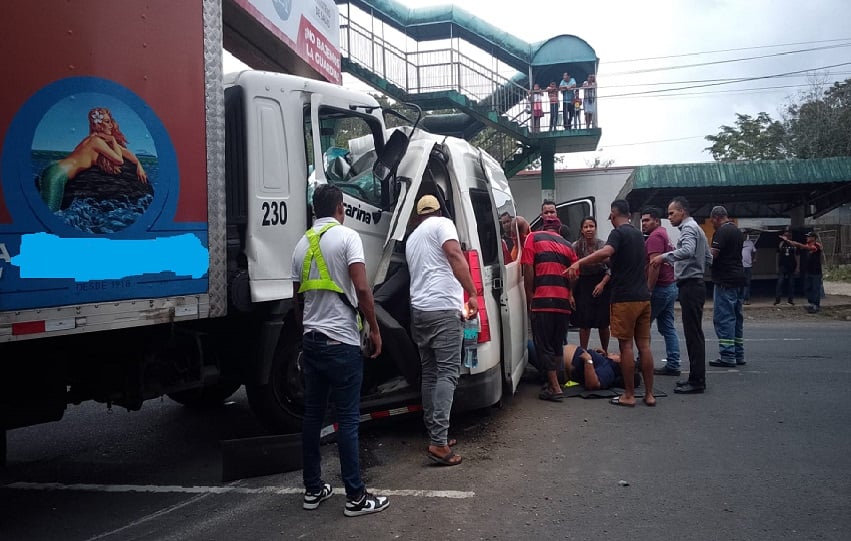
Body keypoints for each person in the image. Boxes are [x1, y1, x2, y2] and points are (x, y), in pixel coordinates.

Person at [292, 184, 389, 516]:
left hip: (312, 341)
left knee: (312, 417)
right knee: (347, 420)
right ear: (341, 208)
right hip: (341, 343)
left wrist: (306, 331)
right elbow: (362, 287)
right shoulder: (348, 238)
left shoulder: (300, 245)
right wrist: (375, 329)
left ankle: (313, 489)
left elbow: (298, 300)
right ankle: (356, 498)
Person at [406, 195, 478, 466]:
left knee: (431, 372)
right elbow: (453, 254)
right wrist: (471, 292)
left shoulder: (413, 237)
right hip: (443, 311)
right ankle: (438, 443)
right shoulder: (443, 224)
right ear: (437, 210)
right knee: (448, 372)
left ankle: (435, 433)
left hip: (420, 312)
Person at [567, 200, 655, 408]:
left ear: (613, 216)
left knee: (625, 346)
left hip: (625, 298)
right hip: (643, 297)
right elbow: (625, 261)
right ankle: (649, 395)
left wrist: (579, 262)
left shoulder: (618, 233)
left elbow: (606, 252)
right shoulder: (637, 235)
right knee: (644, 345)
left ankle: (629, 395)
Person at [650, 196, 713, 394]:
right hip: (694, 283)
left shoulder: (688, 228)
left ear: (682, 212)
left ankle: (697, 381)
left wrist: (664, 257)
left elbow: (687, 250)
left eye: (671, 213)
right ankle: (695, 378)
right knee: (694, 333)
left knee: (693, 334)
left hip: (691, 285)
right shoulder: (696, 228)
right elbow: (708, 256)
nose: (669, 217)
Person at [38, 107, 148, 212]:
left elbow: (126, 153)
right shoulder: (96, 141)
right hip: (57, 175)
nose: (111, 126)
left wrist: (139, 165)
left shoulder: (96, 140)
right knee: (50, 214)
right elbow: (120, 160)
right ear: (99, 124)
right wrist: (113, 140)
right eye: (107, 122)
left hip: (55, 168)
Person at [522, 216, 577, 402]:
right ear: (559, 229)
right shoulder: (568, 245)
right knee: (556, 344)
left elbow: (528, 268)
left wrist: (529, 295)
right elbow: (575, 274)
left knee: (543, 345)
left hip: (543, 300)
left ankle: (554, 388)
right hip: (562, 303)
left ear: (543, 227)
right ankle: (557, 381)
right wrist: (569, 293)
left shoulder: (533, 238)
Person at [641, 207, 681, 377]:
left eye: (647, 220)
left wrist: (649, 290)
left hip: (660, 288)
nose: (643, 224)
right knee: (667, 327)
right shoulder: (663, 233)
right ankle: (673, 363)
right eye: (642, 220)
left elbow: (654, 265)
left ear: (656, 221)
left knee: (643, 325)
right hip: (670, 286)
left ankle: (641, 360)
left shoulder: (655, 237)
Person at [707, 206, 746, 368]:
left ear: (716, 217)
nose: (713, 224)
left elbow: (713, 255)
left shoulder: (721, 232)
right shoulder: (737, 231)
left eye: (712, 221)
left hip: (725, 279)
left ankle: (727, 355)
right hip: (738, 277)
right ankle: (738, 353)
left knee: (724, 318)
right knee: (736, 317)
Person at [570, 216, 611, 353]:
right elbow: (571, 269)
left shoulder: (603, 245)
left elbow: (613, 267)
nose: (589, 229)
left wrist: (602, 284)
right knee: (584, 321)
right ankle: (583, 353)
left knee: (603, 322)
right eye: (586, 227)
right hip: (583, 284)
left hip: (602, 282)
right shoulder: (575, 246)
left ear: (596, 228)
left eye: (591, 226)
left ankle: (605, 351)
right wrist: (570, 293)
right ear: (582, 230)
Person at [780, 231, 823, 313]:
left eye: (808, 236)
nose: (807, 238)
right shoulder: (807, 245)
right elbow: (798, 245)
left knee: (815, 289)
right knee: (807, 288)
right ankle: (811, 303)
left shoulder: (817, 245)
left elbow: (803, 246)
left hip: (816, 272)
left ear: (813, 238)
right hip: (808, 271)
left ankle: (816, 305)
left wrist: (789, 240)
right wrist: (787, 241)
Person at [775, 228, 797, 305]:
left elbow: (796, 255)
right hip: (782, 265)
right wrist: (777, 267)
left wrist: (797, 267)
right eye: (786, 235)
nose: (787, 237)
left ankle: (790, 300)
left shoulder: (793, 244)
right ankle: (777, 300)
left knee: (791, 283)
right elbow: (777, 255)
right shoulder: (781, 243)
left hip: (791, 266)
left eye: (789, 235)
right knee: (780, 283)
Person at [742, 231, 757, 304]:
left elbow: (754, 251)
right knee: (739, 283)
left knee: (747, 283)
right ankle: (740, 298)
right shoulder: (737, 242)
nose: (744, 236)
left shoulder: (750, 242)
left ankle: (746, 299)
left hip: (748, 265)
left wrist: (754, 259)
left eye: (745, 235)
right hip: (740, 265)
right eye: (743, 235)